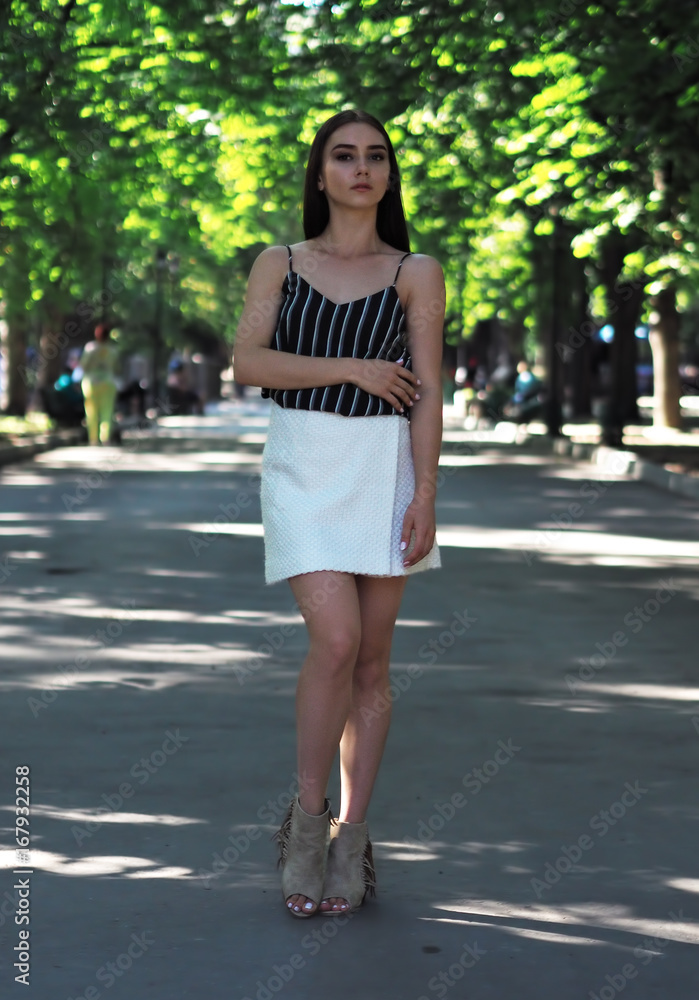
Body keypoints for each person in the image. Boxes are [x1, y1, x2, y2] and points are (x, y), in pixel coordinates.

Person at [233, 109, 444, 919]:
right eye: (344, 155)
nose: (361, 168)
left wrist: (424, 491)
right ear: (319, 172)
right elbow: (248, 361)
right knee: (337, 638)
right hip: (302, 467)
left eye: (376, 157)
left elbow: (426, 389)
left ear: (389, 176)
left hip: (383, 469)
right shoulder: (278, 262)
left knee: (371, 666)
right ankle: (305, 824)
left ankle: (352, 839)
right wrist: (353, 367)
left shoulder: (414, 271)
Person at [80, 323, 120, 445]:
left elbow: (83, 365)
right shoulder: (113, 350)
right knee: (107, 411)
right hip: (108, 383)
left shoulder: (90, 348)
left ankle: (93, 439)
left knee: (91, 411)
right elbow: (117, 368)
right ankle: (105, 438)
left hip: (91, 383)